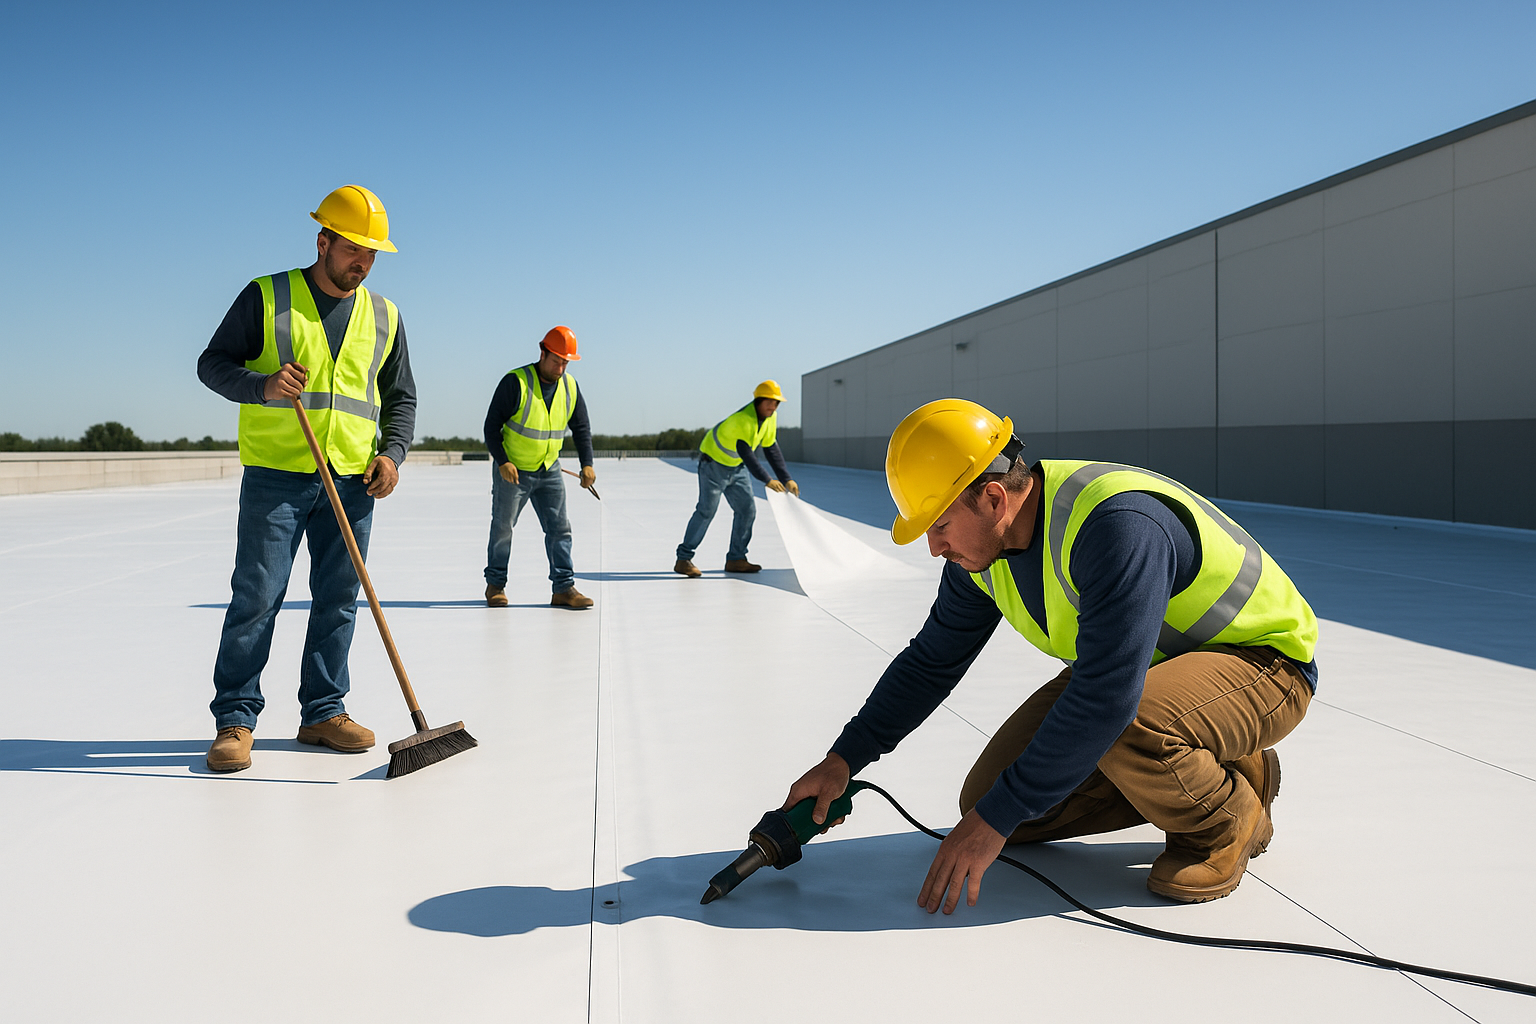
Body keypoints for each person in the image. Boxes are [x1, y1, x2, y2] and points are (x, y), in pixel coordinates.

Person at [782, 399, 1318, 910]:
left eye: (940, 525)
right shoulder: (982, 558)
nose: (935, 547)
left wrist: (996, 821)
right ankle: (1218, 765)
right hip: (1146, 673)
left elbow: (1106, 697)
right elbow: (930, 663)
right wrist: (843, 760)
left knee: (1115, 729)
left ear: (994, 498)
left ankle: (1224, 819)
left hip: (1265, 665)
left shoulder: (1115, 524)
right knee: (988, 800)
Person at [195, 184, 416, 773]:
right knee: (257, 598)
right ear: (323, 242)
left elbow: (400, 398)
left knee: (339, 600)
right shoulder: (267, 296)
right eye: (352, 249)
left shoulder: (385, 316)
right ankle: (235, 719)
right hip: (278, 476)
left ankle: (323, 711)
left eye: (371, 253)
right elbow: (211, 364)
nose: (362, 262)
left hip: (354, 480)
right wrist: (262, 386)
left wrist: (392, 454)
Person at [482, 326, 597, 609]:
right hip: (514, 472)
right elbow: (491, 427)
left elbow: (581, 427)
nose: (561, 368)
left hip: (550, 470)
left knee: (560, 529)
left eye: (565, 362)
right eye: (556, 361)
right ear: (542, 353)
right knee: (503, 528)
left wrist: (587, 464)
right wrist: (503, 461)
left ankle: (564, 588)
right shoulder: (516, 382)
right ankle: (495, 586)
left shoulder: (570, 387)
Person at [673, 380, 800, 577]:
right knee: (706, 511)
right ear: (758, 401)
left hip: (736, 467)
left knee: (747, 511)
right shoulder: (741, 420)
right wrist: (767, 479)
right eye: (768, 401)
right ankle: (683, 559)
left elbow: (771, 448)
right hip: (713, 465)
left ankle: (736, 559)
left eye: (776, 403)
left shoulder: (770, 418)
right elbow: (748, 454)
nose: (773, 406)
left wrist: (787, 478)